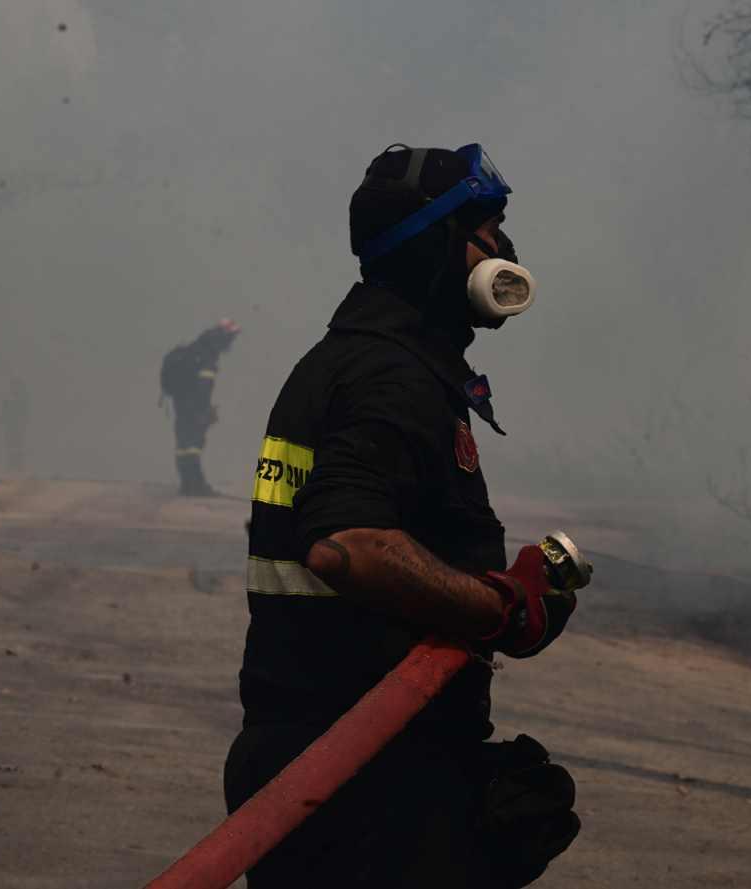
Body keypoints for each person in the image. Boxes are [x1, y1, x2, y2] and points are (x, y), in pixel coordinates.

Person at [226, 144, 579, 888]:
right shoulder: (395, 379)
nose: (504, 251)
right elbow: (346, 544)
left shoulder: (341, 362)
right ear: (436, 245)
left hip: (317, 763)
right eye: (486, 232)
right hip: (365, 771)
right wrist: (501, 609)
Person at [160, 318, 240, 496]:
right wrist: (204, 409)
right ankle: (195, 483)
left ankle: (186, 482)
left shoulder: (195, 347)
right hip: (194, 402)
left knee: (183, 442)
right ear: (225, 337)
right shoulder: (208, 353)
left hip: (180, 401)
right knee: (194, 442)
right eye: (231, 338)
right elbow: (205, 384)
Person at [1, 370, 29, 473]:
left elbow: (25, 408)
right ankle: (11, 464)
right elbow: (5, 405)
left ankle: (19, 465)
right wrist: (3, 418)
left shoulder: (22, 390)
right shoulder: (9, 390)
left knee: (19, 443)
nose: (16, 374)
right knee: (9, 443)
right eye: (15, 373)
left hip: (18, 422)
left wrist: (22, 421)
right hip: (9, 422)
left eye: (19, 373)